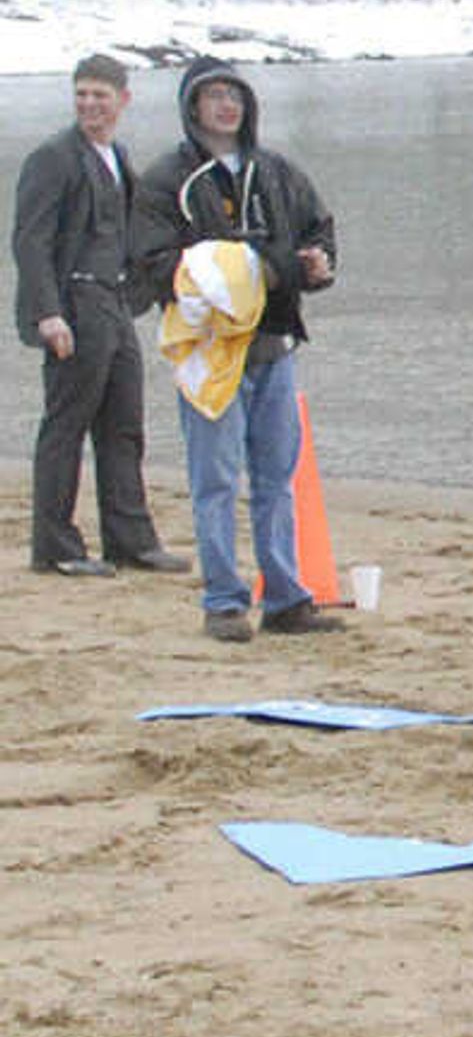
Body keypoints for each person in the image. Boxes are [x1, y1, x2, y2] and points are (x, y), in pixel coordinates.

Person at [130, 56, 339, 640]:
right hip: (210, 354)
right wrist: (248, 271)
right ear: (192, 106)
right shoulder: (165, 180)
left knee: (277, 476)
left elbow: (317, 231)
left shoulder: (277, 172)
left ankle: (285, 597)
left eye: (235, 95)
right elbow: (152, 263)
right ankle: (223, 600)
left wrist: (320, 265)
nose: (227, 105)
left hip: (274, 345)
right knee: (216, 480)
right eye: (214, 95)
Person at [18, 54, 180, 579]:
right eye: (81, 94)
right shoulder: (53, 158)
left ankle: (130, 540)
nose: (89, 104)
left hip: (113, 304)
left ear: (122, 101)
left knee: (123, 427)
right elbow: (31, 241)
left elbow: (133, 231)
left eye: (100, 96)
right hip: (74, 304)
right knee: (66, 426)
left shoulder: (117, 157)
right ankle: (55, 545)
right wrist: (48, 313)